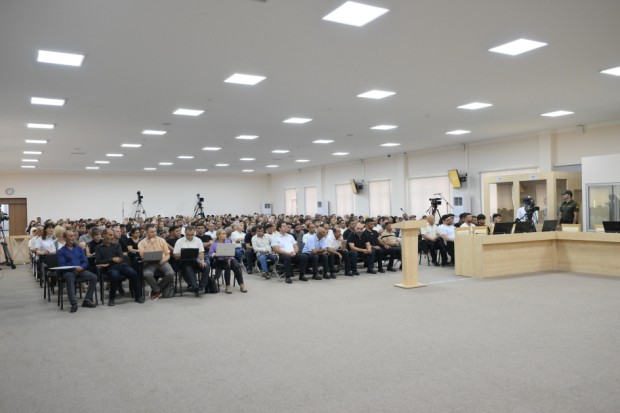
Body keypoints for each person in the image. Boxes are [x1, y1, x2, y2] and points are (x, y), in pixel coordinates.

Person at [95, 228, 142, 306]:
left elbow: (121, 257)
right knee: (115, 275)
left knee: (133, 273)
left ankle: (138, 296)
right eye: (110, 235)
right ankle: (111, 298)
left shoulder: (117, 245)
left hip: (120, 265)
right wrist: (112, 259)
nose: (112, 237)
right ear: (104, 235)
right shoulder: (98, 248)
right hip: (109, 268)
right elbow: (98, 261)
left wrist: (109, 260)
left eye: (112, 235)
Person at [57, 231, 98, 313]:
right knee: (69, 277)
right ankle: (74, 303)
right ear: (64, 238)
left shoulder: (79, 249)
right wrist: (74, 268)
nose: (73, 238)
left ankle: (87, 300)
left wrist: (82, 267)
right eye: (70, 236)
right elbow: (62, 265)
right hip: (69, 272)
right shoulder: (61, 251)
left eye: (73, 236)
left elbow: (85, 261)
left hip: (80, 271)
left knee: (94, 277)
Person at [138, 223, 175, 300]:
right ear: (146, 232)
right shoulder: (141, 243)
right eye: (151, 232)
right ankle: (157, 290)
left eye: (155, 231)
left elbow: (168, 254)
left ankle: (158, 288)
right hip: (149, 263)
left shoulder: (161, 240)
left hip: (162, 261)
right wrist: (150, 243)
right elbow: (142, 256)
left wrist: (163, 260)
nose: (154, 233)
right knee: (146, 274)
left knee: (171, 273)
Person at [173, 225, 210, 296]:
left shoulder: (198, 240)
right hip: (184, 261)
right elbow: (175, 254)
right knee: (189, 268)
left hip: (196, 260)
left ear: (194, 233)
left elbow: (201, 252)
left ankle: (202, 286)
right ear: (184, 233)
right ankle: (195, 287)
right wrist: (183, 255)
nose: (190, 236)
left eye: (192, 235)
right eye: (188, 235)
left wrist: (201, 260)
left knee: (206, 267)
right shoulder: (179, 241)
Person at [208, 229, 246, 293]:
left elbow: (231, 252)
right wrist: (214, 254)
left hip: (229, 258)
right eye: (223, 234)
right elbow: (210, 255)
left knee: (236, 266)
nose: (225, 235)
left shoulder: (228, 241)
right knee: (227, 266)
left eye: (225, 233)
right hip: (219, 260)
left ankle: (241, 284)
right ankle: (227, 285)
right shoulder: (214, 244)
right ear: (218, 235)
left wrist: (229, 258)